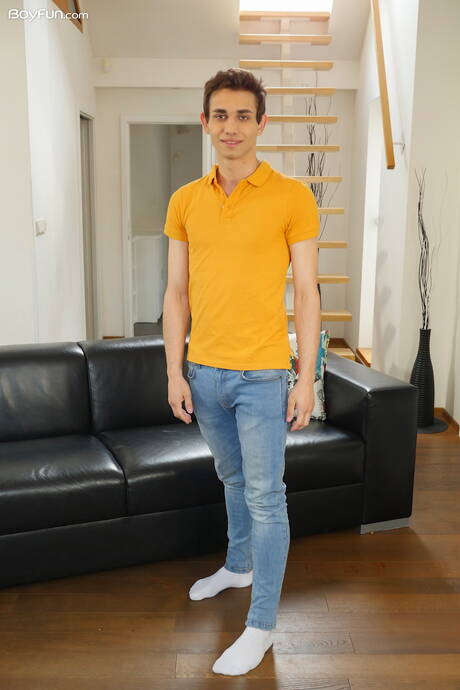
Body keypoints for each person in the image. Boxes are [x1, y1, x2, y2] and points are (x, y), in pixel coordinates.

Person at [162, 68, 321, 676]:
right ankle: (238, 564)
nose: (232, 127)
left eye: (243, 116)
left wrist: (304, 378)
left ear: (261, 124)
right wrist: (174, 372)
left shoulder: (292, 196)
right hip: (203, 372)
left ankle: (262, 625)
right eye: (221, 115)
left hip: (262, 375)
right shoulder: (185, 200)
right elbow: (176, 293)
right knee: (231, 478)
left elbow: (306, 293)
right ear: (205, 122)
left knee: (266, 497)